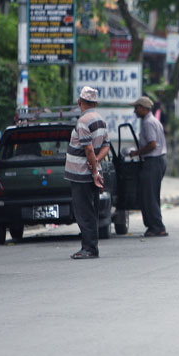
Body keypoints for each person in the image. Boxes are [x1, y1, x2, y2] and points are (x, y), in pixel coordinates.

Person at [64, 86, 110, 259]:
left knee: (84, 212)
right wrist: (97, 162)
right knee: (91, 211)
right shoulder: (101, 120)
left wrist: (94, 170)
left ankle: (89, 249)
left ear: (80, 102)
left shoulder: (83, 122)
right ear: (96, 102)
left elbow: (88, 149)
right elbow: (106, 146)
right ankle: (90, 246)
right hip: (91, 174)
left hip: (82, 175)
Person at [131, 96, 169, 237]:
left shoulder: (148, 123)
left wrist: (136, 153)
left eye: (136, 108)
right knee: (150, 194)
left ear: (143, 108)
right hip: (158, 160)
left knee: (150, 196)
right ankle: (154, 225)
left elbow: (152, 144)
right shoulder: (153, 121)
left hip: (153, 161)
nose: (135, 111)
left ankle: (157, 226)